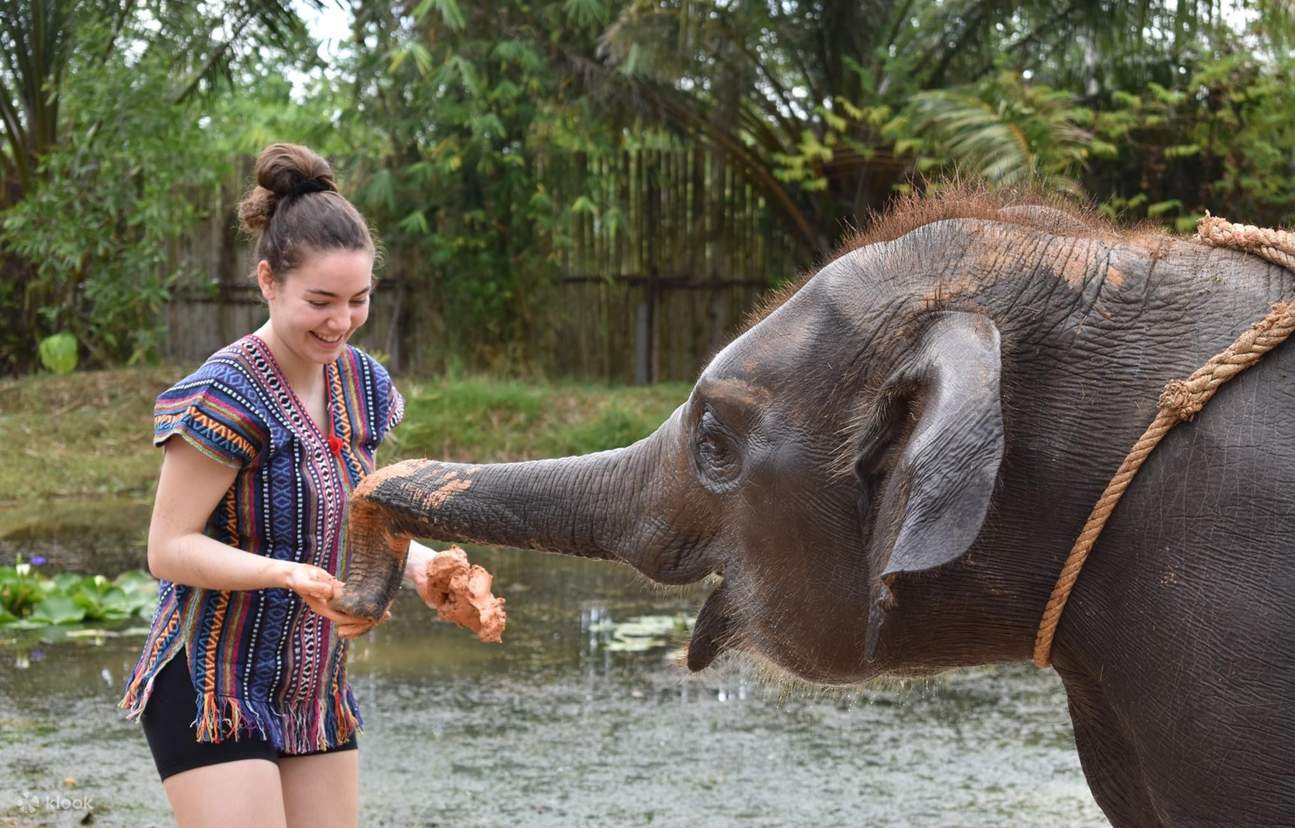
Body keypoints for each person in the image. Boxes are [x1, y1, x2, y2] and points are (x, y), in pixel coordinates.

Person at [118, 143, 441, 828]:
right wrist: (287, 574)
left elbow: (357, 516)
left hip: (312, 688)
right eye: (319, 301)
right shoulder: (225, 395)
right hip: (211, 684)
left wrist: (421, 565)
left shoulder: (362, 384)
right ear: (267, 281)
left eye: (358, 300)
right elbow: (168, 549)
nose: (341, 321)